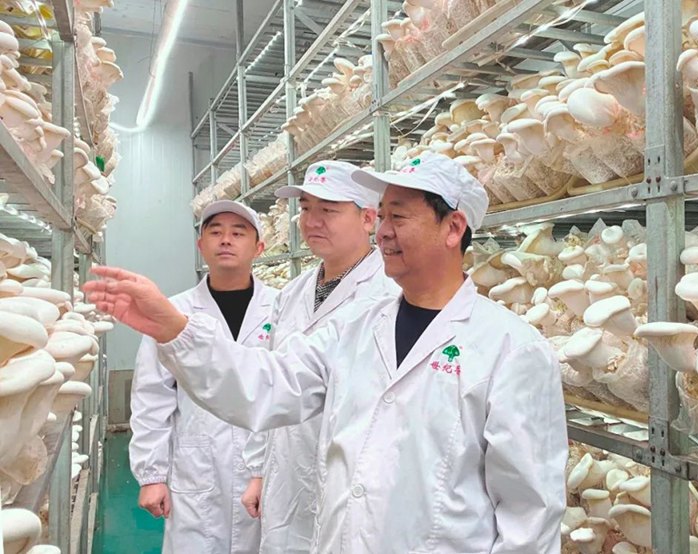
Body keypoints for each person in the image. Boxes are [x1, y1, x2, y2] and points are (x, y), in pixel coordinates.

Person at [86, 151, 568, 553]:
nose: (383, 231)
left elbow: (530, 518)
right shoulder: (355, 327)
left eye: (398, 216)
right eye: (382, 215)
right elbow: (266, 385)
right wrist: (174, 329)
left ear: (453, 228)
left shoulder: (512, 350)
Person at [240, 160, 399, 553]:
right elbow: (271, 382)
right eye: (306, 208)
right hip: (288, 475)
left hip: (356, 480)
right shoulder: (292, 293)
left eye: (328, 210)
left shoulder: (390, 293)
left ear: (368, 219)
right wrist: (258, 470)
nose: (312, 221)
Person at [128, 200, 277, 553]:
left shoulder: (282, 307)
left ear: (259, 247)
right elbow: (152, 395)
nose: (226, 240)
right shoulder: (173, 311)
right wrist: (151, 475)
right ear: (200, 245)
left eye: (238, 233)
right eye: (215, 232)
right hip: (197, 468)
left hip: (267, 467)